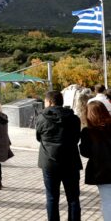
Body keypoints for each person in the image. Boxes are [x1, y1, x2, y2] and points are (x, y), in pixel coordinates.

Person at [36, 90, 82, 221]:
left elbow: (38, 137)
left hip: (49, 162)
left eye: (45, 101)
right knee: (73, 198)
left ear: (50, 102)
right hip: (71, 161)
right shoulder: (74, 118)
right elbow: (76, 138)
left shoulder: (42, 118)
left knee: (52, 198)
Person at [80, 100, 111, 219]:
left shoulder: (87, 132)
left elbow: (85, 152)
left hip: (101, 172)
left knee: (107, 201)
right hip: (103, 172)